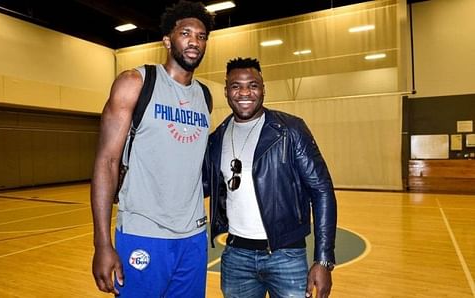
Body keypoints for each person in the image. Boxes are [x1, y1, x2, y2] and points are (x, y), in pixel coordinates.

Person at [90, 1, 214, 297]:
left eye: (201, 36)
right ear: (167, 41)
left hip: (194, 237)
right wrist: (102, 244)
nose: (194, 41)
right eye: (186, 33)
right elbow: (107, 162)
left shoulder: (205, 96)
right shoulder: (136, 82)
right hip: (143, 233)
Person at [203, 57, 337, 298]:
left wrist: (324, 260)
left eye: (253, 85)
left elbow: (322, 191)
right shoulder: (217, 138)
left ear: (263, 89)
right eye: (236, 86)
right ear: (226, 91)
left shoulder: (290, 130)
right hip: (236, 257)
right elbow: (201, 186)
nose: (244, 92)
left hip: (286, 256)